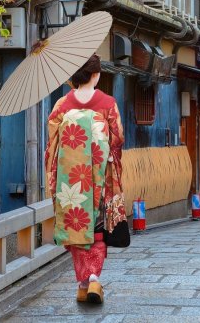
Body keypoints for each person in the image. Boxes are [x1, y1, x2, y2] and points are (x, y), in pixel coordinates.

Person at [45, 54, 124, 304]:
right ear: (96, 75)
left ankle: (82, 283)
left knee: (75, 227)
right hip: (99, 179)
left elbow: (52, 143)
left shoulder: (61, 105)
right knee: (97, 230)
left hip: (71, 182)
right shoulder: (107, 103)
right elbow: (118, 138)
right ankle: (93, 279)